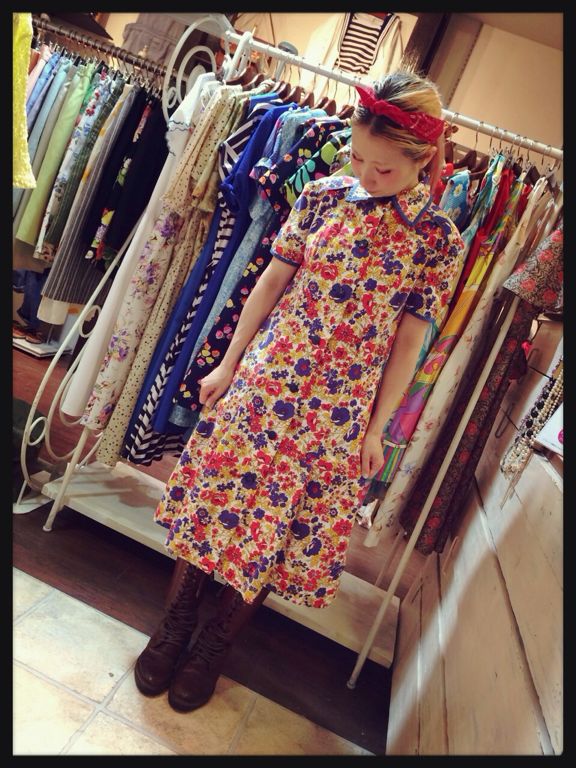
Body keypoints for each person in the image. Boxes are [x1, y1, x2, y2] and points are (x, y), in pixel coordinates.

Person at [134, 69, 465, 713]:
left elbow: (409, 343)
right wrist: (228, 364)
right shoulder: (321, 195)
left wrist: (377, 429)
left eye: (383, 169)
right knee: (216, 503)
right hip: (267, 379)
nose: (365, 175)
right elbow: (270, 283)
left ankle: (213, 646)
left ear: (423, 160)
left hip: (337, 411)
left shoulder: (437, 241)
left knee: (276, 530)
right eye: (358, 157)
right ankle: (174, 625)